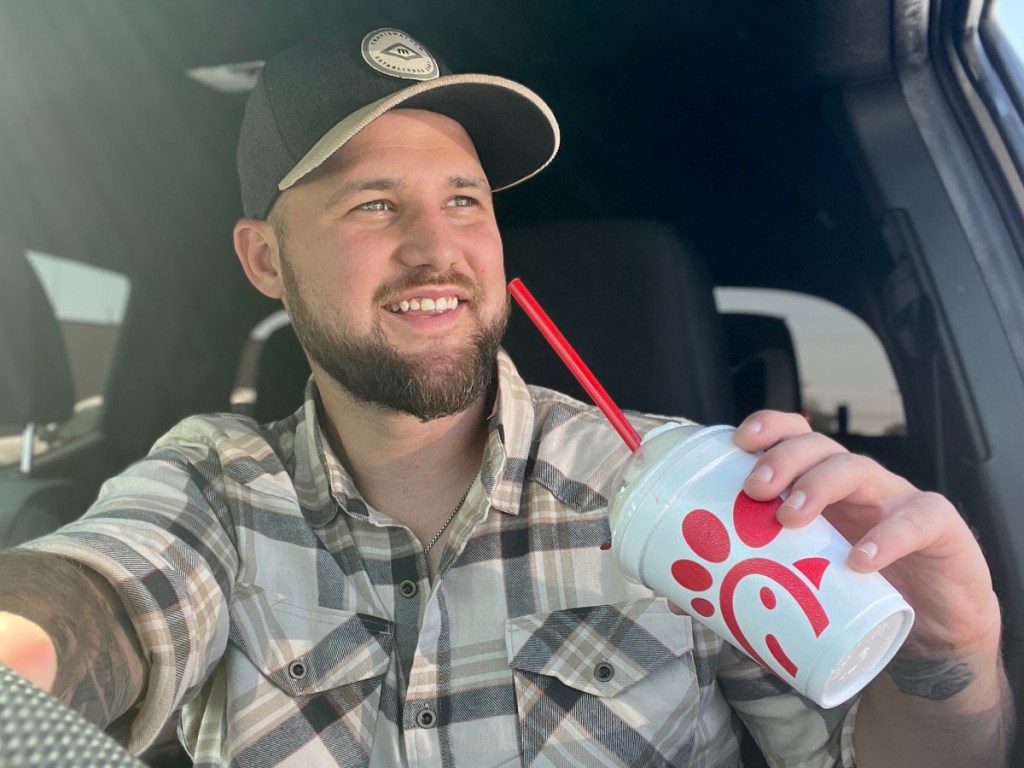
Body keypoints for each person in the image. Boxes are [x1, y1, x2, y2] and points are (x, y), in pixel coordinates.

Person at [0, 27, 1013, 768]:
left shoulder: (688, 496)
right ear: (265, 259)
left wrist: (945, 659)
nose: (436, 247)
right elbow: (94, 599)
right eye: (374, 204)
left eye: (463, 201)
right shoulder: (213, 489)